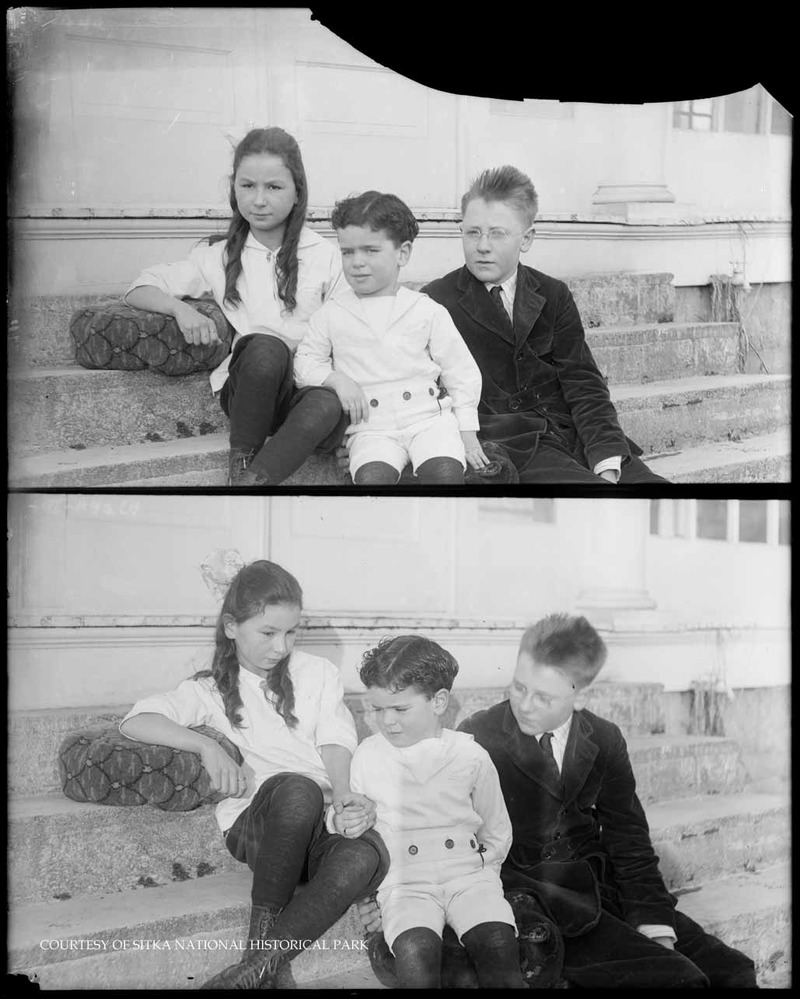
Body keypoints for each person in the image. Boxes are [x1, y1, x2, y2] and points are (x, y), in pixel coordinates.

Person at [118, 559, 388, 989]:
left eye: (291, 632)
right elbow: (136, 720)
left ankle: (251, 971)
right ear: (231, 626)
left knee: (365, 854)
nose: (281, 646)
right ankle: (257, 948)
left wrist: (345, 797)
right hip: (262, 828)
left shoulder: (317, 673)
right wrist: (205, 745)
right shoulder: (207, 690)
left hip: (319, 824)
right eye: (267, 632)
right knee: (298, 791)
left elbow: (336, 739)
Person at [450, 613, 756, 987]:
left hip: (599, 885)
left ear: (581, 697)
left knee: (733, 971)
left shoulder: (605, 739)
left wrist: (654, 922)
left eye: (543, 696)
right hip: (535, 897)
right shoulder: (479, 735)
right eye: (518, 687)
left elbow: (628, 838)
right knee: (678, 980)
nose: (525, 705)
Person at [124, 127, 347, 487]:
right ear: (234, 189)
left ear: (297, 193)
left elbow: (351, 338)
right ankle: (241, 458)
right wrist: (182, 310)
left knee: (327, 403)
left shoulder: (327, 257)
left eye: (274, 187)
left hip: (304, 395)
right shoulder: (218, 256)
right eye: (247, 186)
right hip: (250, 393)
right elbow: (139, 288)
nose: (259, 200)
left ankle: (250, 483)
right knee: (266, 348)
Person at [422, 166, 669, 484]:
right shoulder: (436, 300)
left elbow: (584, 384)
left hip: (573, 434)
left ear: (526, 240)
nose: (482, 245)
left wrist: (606, 459)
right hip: (509, 445)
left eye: (498, 233)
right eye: (473, 232)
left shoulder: (552, 293)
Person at [344, 635, 525, 988]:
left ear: (439, 701)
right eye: (379, 709)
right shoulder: (368, 755)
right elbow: (356, 828)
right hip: (405, 881)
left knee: (498, 942)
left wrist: (483, 870)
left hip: (468, 876)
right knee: (415, 950)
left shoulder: (469, 755)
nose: (388, 721)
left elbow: (497, 828)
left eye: (400, 709)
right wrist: (347, 825)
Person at [294, 191, 489, 485]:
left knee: (445, 473)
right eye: (348, 252)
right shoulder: (332, 313)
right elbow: (305, 361)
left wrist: (468, 433)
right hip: (371, 427)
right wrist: (336, 380)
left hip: (428, 420)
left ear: (403, 253)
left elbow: (461, 372)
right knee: (373, 479)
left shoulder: (424, 309)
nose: (357, 262)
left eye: (370, 250)